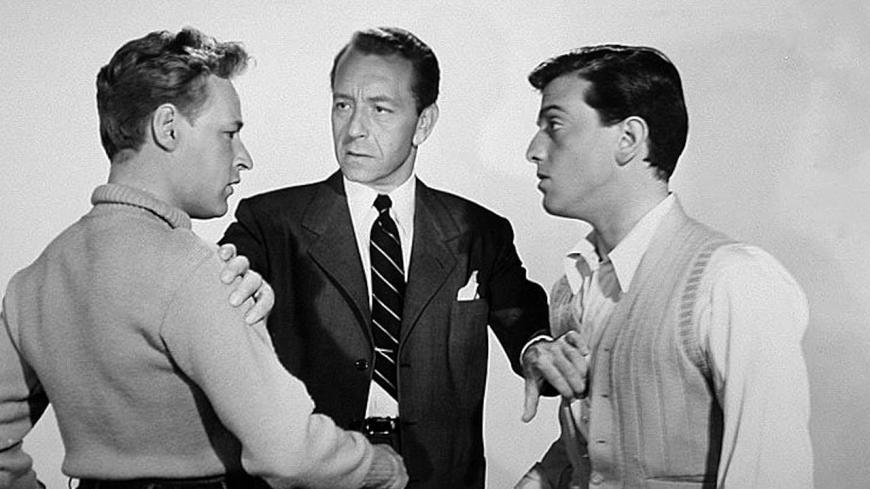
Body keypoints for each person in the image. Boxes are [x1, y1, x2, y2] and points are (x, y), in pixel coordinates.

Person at [0, 27, 408, 489]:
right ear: (168, 128)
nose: (244, 158)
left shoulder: (34, 280)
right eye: (229, 133)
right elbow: (289, 453)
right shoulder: (197, 272)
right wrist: (381, 467)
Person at [220, 27, 548, 489]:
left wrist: (536, 348)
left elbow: (521, 314)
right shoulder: (270, 223)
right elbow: (216, 309)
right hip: (314, 478)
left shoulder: (479, 231)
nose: (354, 128)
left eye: (380, 109)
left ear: (423, 122)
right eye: (342, 105)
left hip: (438, 478)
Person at [516, 45, 813, 488]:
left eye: (554, 126)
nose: (534, 150)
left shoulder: (732, 281)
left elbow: (769, 475)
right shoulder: (573, 286)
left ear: (628, 139)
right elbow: (604, 448)